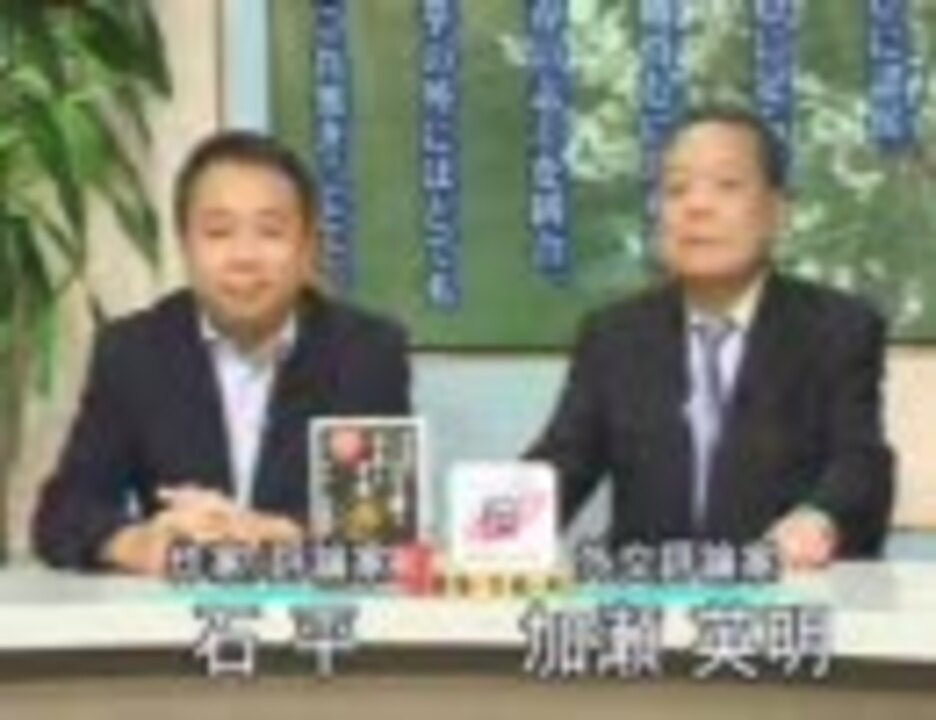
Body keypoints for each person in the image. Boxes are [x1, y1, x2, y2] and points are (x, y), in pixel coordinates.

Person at [528, 106, 894, 568]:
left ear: (776, 212)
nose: (696, 206)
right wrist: (485, 529)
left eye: (727, 185)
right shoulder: (614, 335)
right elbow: (564, 461)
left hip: (780, 589)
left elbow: (861, 461)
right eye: (676, 189)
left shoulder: (837, 328)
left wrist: (819, 518)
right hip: (647, 594)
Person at [32, 130, 410, 575]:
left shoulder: (367, 352)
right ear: (185, 245)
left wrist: (284, 536)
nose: (244, 257)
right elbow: (64, 513)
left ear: (308, 248)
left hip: (312, 609)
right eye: (218, 232)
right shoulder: (133, 352)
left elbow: (379, 527)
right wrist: (138, 543)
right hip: (173, 612)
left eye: (270, 232)